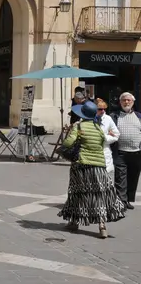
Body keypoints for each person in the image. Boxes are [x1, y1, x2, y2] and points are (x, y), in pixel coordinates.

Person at [58, 101, 126, 238]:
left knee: (78, 192)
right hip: (99, 166)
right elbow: (102, 143)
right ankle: (102, 226)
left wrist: (64, 145)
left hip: (81, 165)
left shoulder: (79, 126)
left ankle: (74, 221)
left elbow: (68, 143)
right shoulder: (98, 128)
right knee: (99, 195)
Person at [110, 92, 141, 210]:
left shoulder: (138, 116)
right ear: (120, 102)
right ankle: (121, 202)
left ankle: (128, 199)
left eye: (129, 100)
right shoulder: (114, 116)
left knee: (133, 177)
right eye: (124, 100)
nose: (126, 102)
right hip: (120, 152)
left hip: (136, 152)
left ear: (133, 102)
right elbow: (107, 128)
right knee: (120, 178)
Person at [96, 98, 120, 184]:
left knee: (106, 181)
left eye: (104, 109)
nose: (102, 111)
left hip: (105, 151)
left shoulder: (108, 119)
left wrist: (104, 138)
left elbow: (116, 135)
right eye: (100, 109)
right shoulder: (88, 118)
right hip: (91, 152)